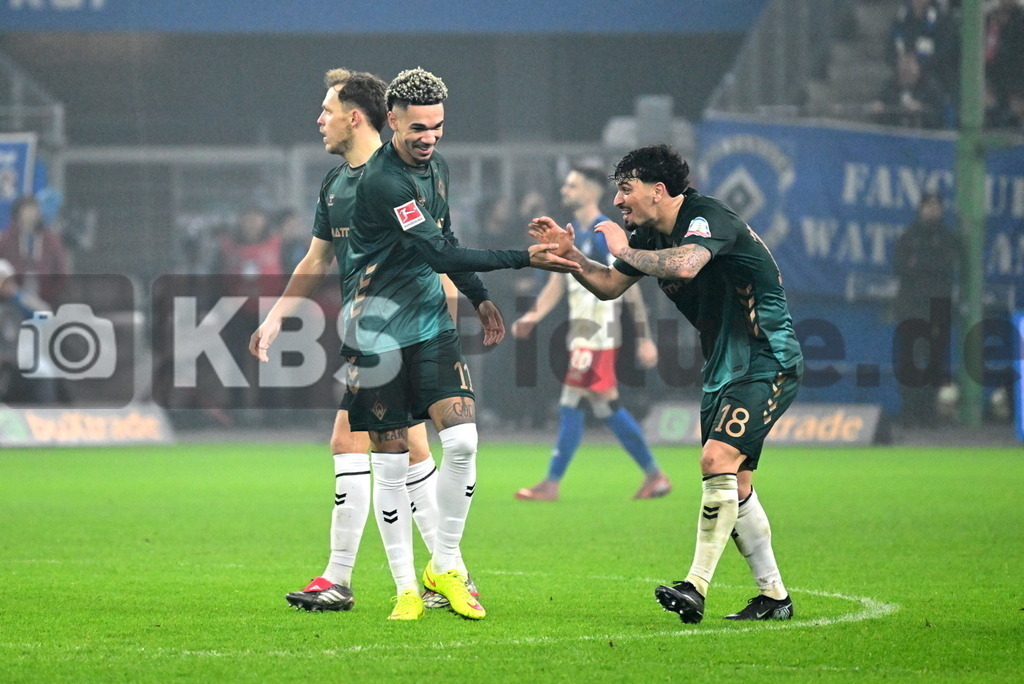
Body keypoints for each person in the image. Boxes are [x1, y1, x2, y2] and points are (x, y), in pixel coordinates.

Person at [249, 69, 489, 620]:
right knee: (381, 445)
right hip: (372, 335)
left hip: (414, 334)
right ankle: (437, 574)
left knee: (391, 446)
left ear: (354, 116)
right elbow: (316, 260)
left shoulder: (404, 175)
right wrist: (278, 318)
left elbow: (442, 252)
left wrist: (442, 335)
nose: (320, 120)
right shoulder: (335, 186)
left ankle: (400, 575)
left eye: (327, 109)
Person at [341, 67, 579, 621]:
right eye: (418, 128)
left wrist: (477, 295)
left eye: (439, 128)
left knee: (466, 440)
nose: (430, 138)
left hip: (429, 325)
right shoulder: (384, 182)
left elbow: (446, 239)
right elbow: (440, 255)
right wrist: (526, 257)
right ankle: (405, 587)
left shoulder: (437, 169)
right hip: (375, 332)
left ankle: (443, 562)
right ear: (392, 122)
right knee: (393, 463)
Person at [529, 144, 803, 624]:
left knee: (716, 459)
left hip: (766, 354)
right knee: (734, 483)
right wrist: (573, 257)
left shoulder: (705, 217)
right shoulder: (650, 235)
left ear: (659, 191)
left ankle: (694, 585)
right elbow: (612, 285)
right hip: (723, 365)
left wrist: (621, 248)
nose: (618, 201)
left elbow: (687, 264)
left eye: (626, 189)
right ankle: (774, 597)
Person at [512, 164, 671, 502]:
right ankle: (654, 476)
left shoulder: (604, 233)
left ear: (591, 191)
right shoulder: (572, 233)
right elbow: (558, 281)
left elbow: (632, 288)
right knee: (604, 407)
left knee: (574, 401)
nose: (565, 191)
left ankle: (552, 483)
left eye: (572, 185)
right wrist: (533, 315)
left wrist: (643, 336)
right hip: (584, 334)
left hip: (598, 335)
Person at [892, 192, 959, 427]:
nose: (932, 210)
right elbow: (900, 265)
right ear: (920, 209)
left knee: (935, 361)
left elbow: (947, 266)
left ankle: (928, 413)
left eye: (936, 205)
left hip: (938, 306)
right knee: (909, 360)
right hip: (911, 306)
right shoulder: (909, 236)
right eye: (928, 206)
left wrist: (920, 264)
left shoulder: (948, 237)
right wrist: (926, 265)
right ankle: (909, 412)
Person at [0, 194, 70, 307]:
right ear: (18, 213)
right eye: (27, 210)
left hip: (43, 293)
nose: (31, 214)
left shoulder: (50, 239)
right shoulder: (7, 238)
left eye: (34, 210)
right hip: (14, 293)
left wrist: (54, 291)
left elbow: (60, 267)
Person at [867, 51, 948, 130]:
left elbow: (939, 116)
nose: (906, 78)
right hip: (894, 134)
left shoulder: (930, 88)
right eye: (903, 74)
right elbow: (884, 108)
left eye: (910, 74)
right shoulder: (890, 86)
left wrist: (921, 109)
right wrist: (879, 110)